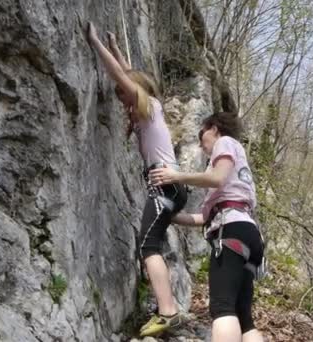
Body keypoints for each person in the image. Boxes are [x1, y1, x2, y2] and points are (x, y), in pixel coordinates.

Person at [86, 23, 189, 337]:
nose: (123, 104)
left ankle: (168, 311)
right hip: (171, 186)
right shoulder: (152, 110)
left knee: (148, 246)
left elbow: (121, 75)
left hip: (164, 184)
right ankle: (167, 309)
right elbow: (128, 71)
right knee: (150, 244)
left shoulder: (148, 108)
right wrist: (116, 44)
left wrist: (95, 42)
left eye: (124, 97)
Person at [150, 112, 265, 342]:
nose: (203, 147)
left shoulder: (225, 142)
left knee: (222, 307)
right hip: (248, 234)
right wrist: (170, 217)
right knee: (243, 317)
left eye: (202, 137)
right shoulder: (239, 166)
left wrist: (176, 176)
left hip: (231, 231)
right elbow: (203, 217)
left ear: (213, 128)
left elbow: (216, 178)